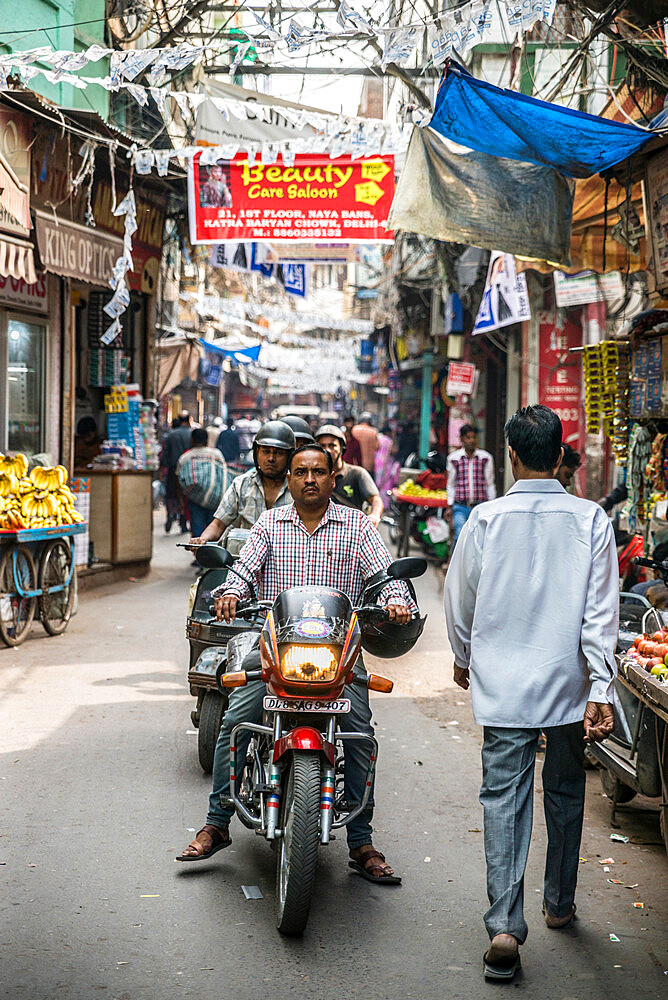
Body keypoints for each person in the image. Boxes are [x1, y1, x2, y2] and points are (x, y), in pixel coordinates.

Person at [177, 444, 414, 883]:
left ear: (332, 479)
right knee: (236, 722)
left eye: (319, 472)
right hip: (274, 647)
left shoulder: (357, 526)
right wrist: (230, 594)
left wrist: (397, 601)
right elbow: (243, 571)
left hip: (335, 653)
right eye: (301, 472)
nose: (310, 479)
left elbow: (385, 577)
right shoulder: (269, 524)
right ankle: (216, 822)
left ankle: (361, 840)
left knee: (361, 734)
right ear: (288, 479)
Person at [444, 404, 617, 982]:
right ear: (563, 456)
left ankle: (503, 925)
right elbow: (601, 613)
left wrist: (464, 657)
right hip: (569, 684)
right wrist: (601, 685)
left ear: (512, 456)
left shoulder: (487, 520)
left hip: (505, 686)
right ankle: (560, 904)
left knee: (503, 799)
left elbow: (459, 598)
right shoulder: (591, 519)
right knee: (566, 792)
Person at [189, 420, 295, 545]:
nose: (271, 458)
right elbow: (218, 524)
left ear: (290, 456)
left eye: (279, 453)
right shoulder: (241, 484)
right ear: (256, 452)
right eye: (266, 451)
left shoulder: (298, 487)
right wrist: (202, 539)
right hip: (245, 559)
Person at [316, 424, 384, 527]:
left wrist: (374, 515)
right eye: (322, 446)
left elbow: (375, 499)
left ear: (341, 447)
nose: (328, 450)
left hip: (351, 531)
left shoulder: (357, 473)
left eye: (332, 445)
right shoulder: (313, 475)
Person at [446, 424, 496, 545]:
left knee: (480, 539)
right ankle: (457, 564)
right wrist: (450, 505)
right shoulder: (454, 458)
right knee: (460, 536)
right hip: (460, 506)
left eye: (473, 437)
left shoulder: (485, 458)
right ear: (462, 439)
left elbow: (490, 483)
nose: (471, 440)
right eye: (468, 437)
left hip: (480, 506)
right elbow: (451, 484)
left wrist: (492, 504)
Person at [176, 427, 228, 541]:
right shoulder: (217, 454)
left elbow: (179, 480)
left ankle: (199, 554)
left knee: (197, 527)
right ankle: (211, 554)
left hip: (194, 499)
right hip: (215, 499)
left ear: (192, 440)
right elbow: (223, 474)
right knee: (213, 526)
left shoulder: (185, 457)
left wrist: (180, 501)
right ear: (206, 440)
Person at [161, 415, 193, 533]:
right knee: (185, 495)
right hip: (188, 469)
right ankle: (183, 523)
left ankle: (170, 513)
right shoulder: (191, 434)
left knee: (171, 494)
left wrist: (163, 468)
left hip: (173, 469)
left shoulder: (171, 435)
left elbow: (165, 454)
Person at [352, 412, 379, 477]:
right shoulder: (373, 432)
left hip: (355, 464)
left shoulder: (354, 430)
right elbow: (377, 447)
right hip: (369, 466)